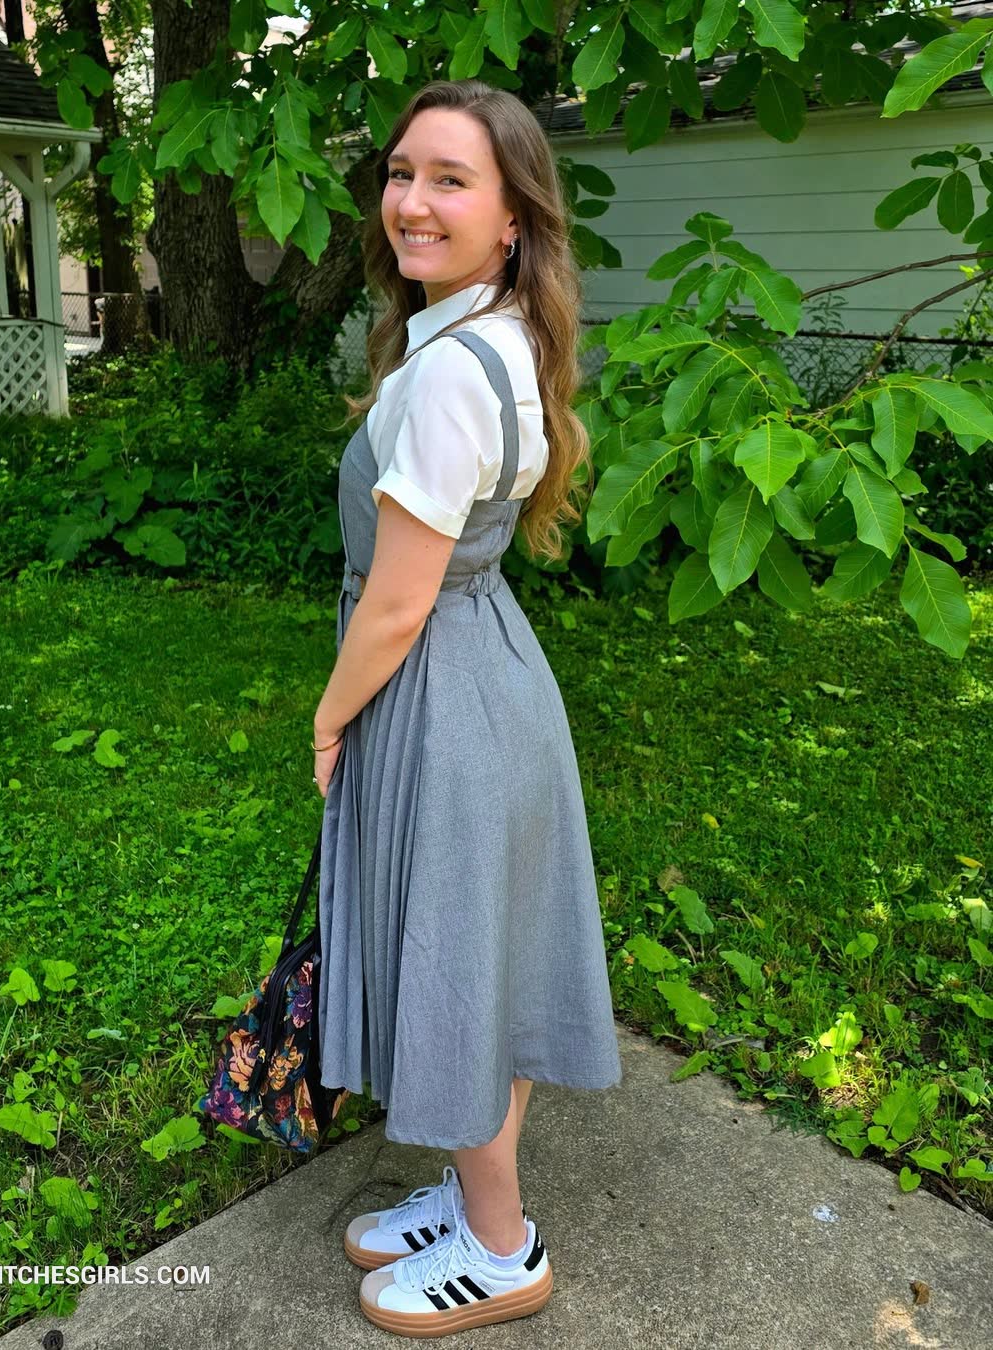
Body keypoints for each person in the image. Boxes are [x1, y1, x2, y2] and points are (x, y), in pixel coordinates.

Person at [310, 77, 622, 1338]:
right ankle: (471, 1198)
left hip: (440, 691)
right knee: (483, 957)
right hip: (490, 677)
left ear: (512, 217)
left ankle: (501, 1251)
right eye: (402, 173)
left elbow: (397, 604)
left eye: (451, 179)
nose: (413, 202)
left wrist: (331, 717)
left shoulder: (449, 371)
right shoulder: (491, 334)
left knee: (459, 968)